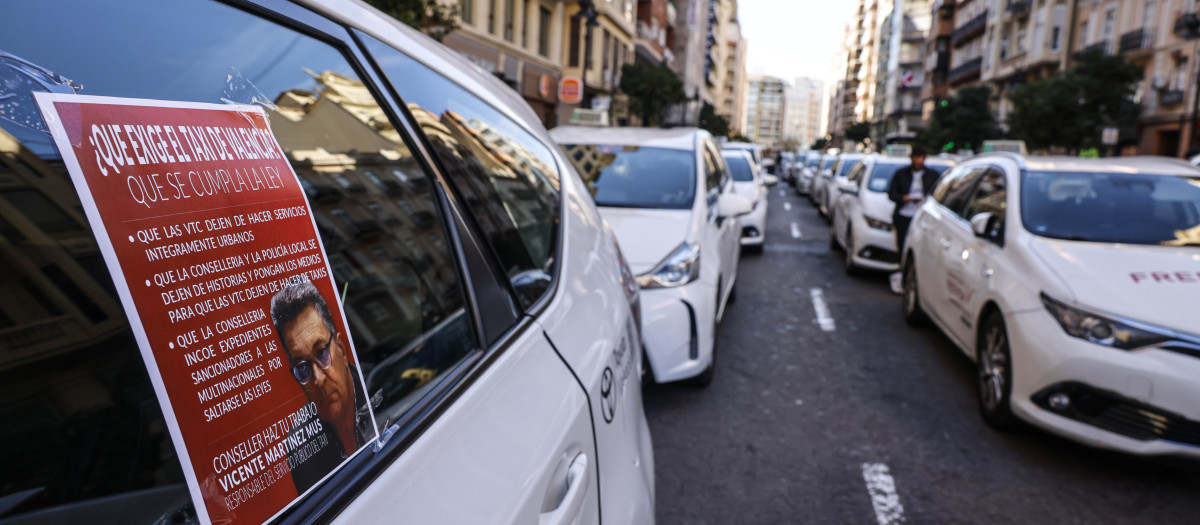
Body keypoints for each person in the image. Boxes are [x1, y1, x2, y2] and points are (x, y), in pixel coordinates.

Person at [271, 277, 372, 492]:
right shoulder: (302, 446)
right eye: (302, 367)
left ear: (342, 350)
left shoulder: (376, 389)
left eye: (321, 353)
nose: (318, 378)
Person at [886, 146, 939, 293]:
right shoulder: (901, 174)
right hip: (904, 215)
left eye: (920, 157)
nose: (918, 160)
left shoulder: (933, 175)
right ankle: (901, 277)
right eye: (915, 157)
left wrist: (925, 200)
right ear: (911, 158)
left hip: (923, 218)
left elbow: (937, 194)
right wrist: (903, 198)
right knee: (902, 247)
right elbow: (891, 193)